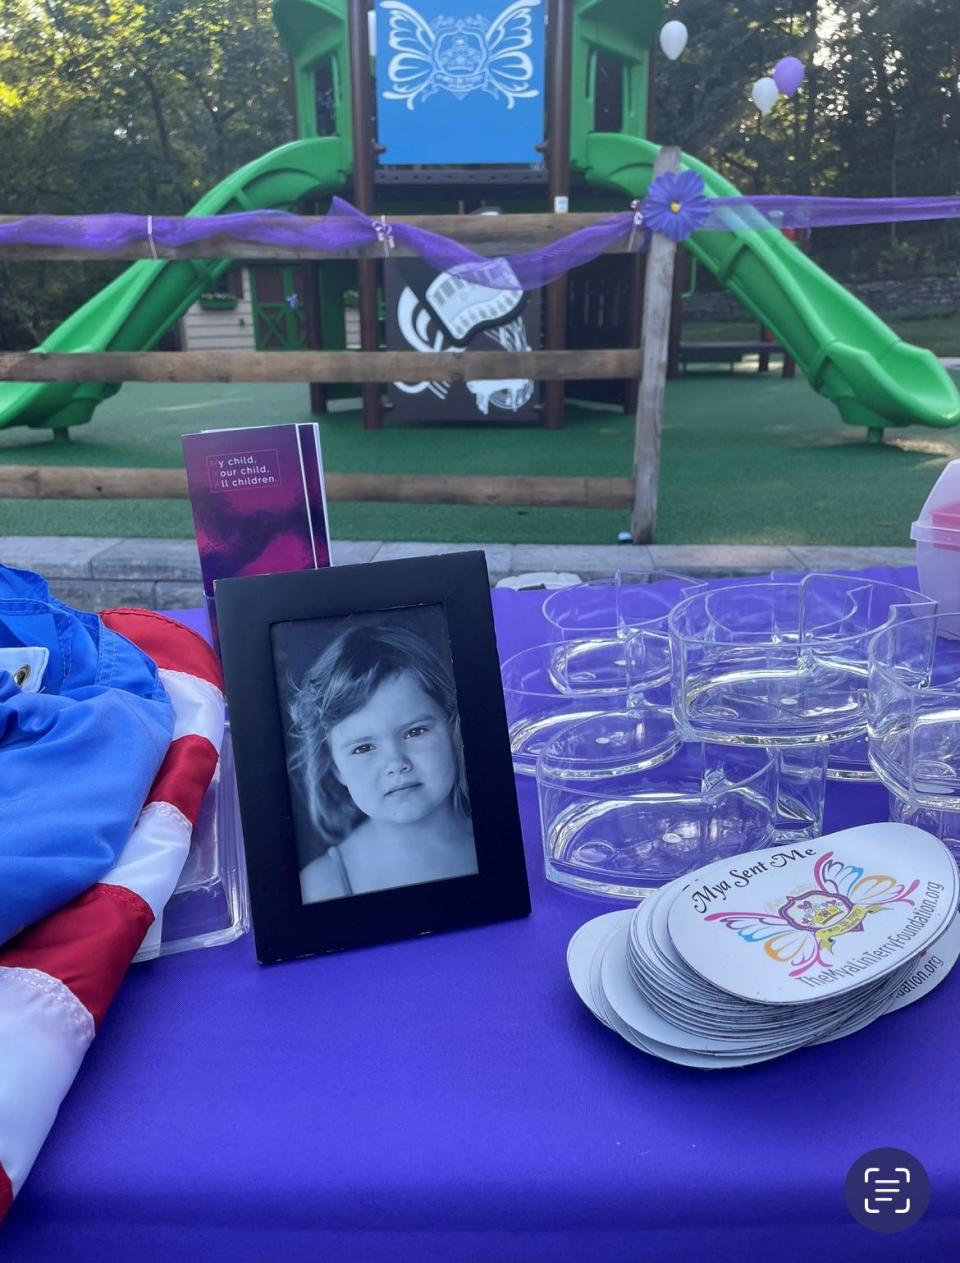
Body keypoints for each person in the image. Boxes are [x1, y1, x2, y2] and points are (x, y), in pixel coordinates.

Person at [287, 618, 477, 904]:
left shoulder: (508, 841)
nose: (396, 762)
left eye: (415, 732)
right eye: (363, 748)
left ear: (453, 729)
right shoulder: (319, 888)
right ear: (335, 767)